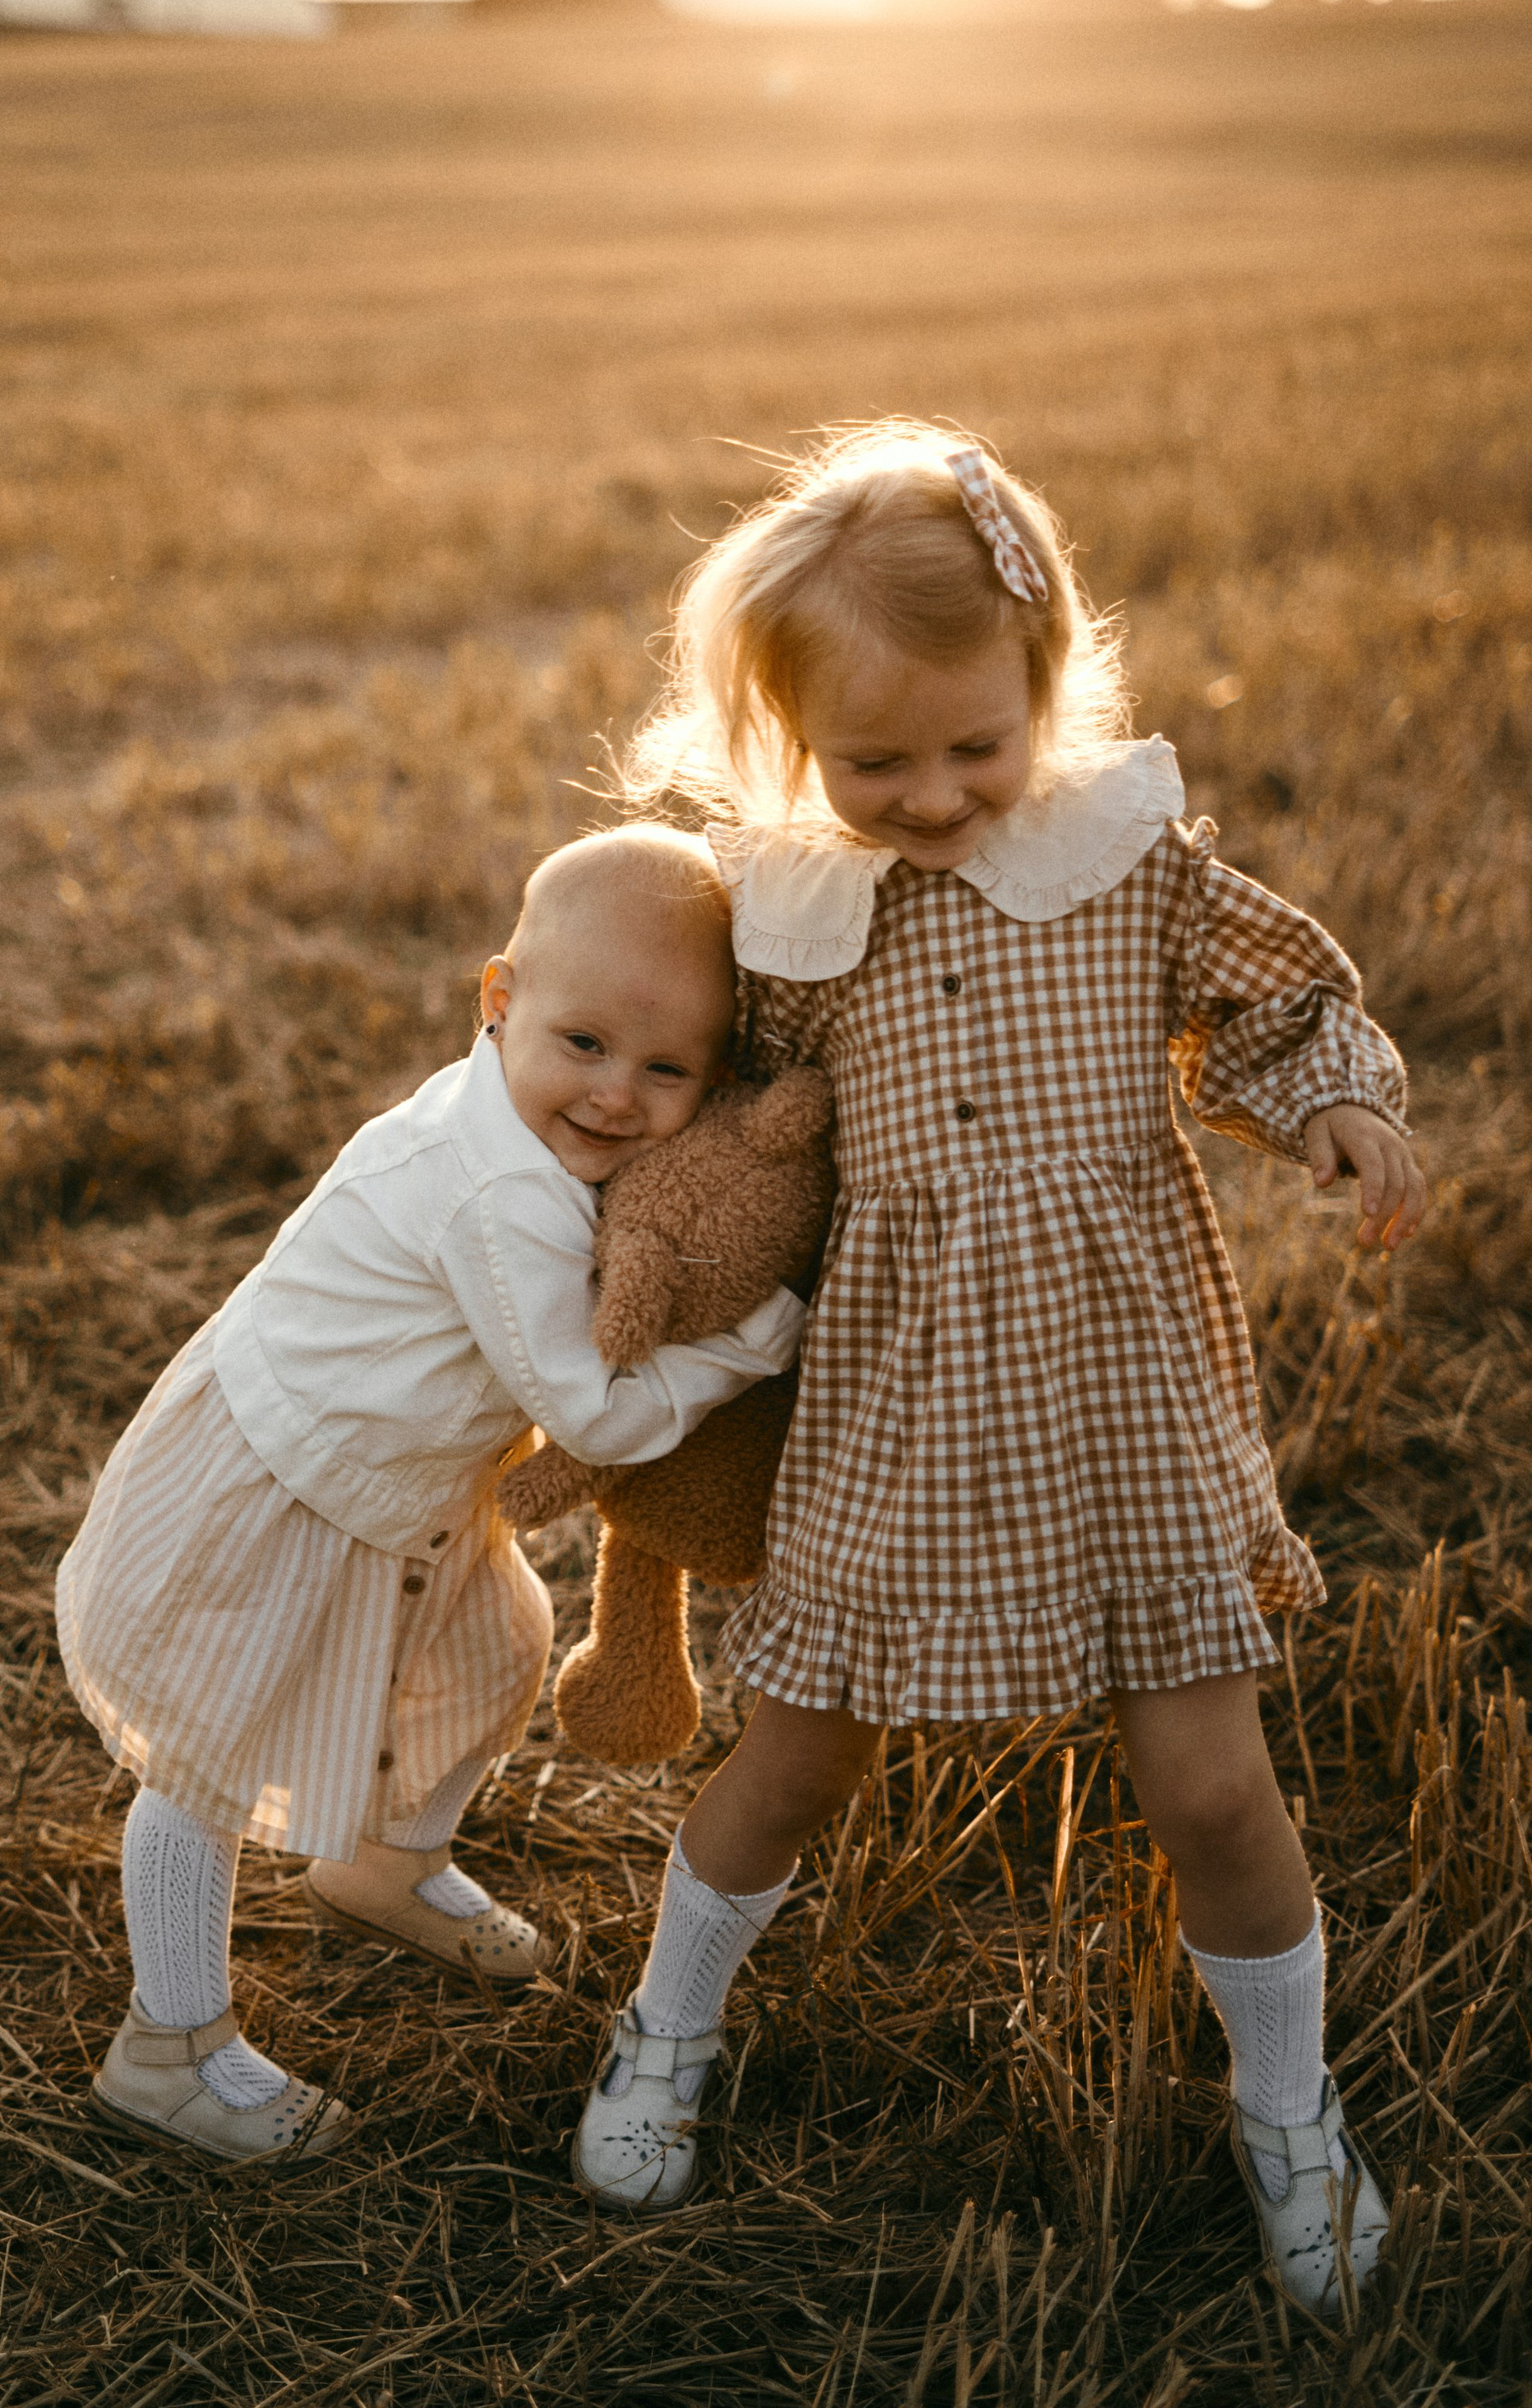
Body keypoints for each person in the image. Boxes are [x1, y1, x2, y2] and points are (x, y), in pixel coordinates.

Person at [570, 422, 1425, 2322]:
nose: (935, 795)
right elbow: (718, 1116)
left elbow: (1278, 1000)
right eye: (872, 761)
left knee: (1210, 1787)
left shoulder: (1123, 862)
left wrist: (1333, 1100)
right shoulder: (790, 916)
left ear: (1046, 681)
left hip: (1123, 1395)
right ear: (792, 738)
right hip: (890, 1402)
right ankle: (664, 2024)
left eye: (976, 742)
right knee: (793, 1753)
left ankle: (1287, 2109)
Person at [56, 825, 804, 2169]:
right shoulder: (496, 1191)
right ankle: (168, 2044)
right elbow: (593, 1411)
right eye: (585, 1043)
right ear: (500, 998)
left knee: (496, 1648)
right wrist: (747, 1347)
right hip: (287, 1480)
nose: (617, 1095)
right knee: (207, 1752)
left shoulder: (524, 1124)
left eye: (667, 1069)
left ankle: (383, 1863)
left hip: (404, 1485)